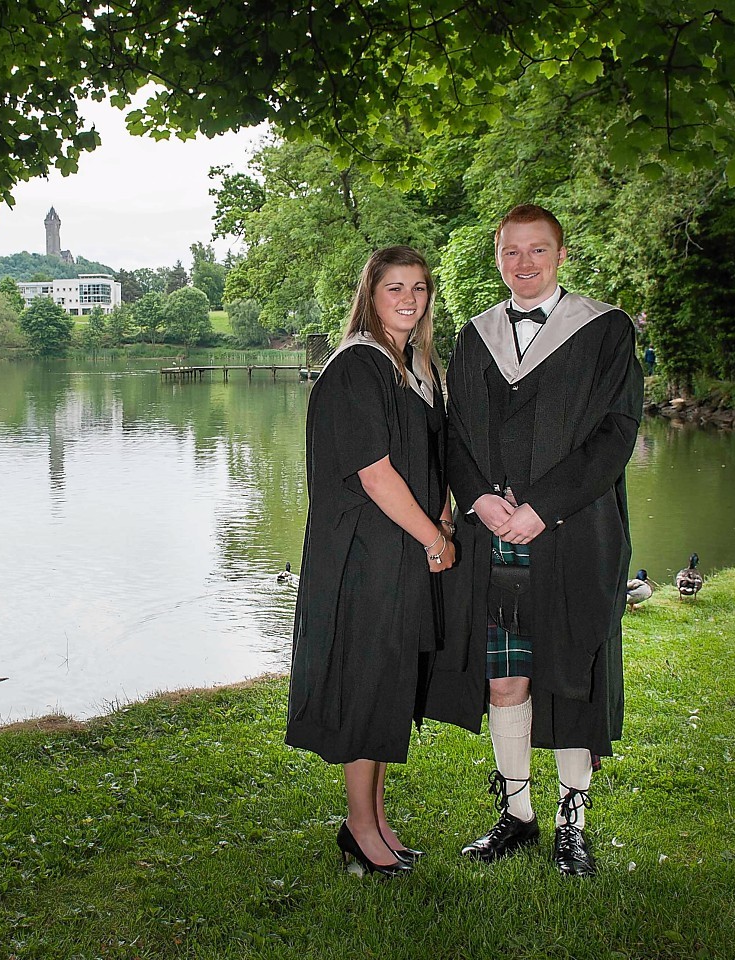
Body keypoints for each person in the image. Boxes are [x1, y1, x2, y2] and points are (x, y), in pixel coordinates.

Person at [425, 204, 643, 877]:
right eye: (511, 251)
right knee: (505, 679)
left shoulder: (604, 331)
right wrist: (481, 500)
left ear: (561, 255)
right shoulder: (475, 336)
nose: (523, 264)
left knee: (571, 678)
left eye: (537, 250)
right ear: (496, 256)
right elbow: (452, 434)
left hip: (574, 533)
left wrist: (542, 508)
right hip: (495, 536)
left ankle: (571, 823)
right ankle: (516, 814)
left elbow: (615, 434)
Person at [286, 246, 456, 877]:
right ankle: (359, 828)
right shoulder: (359, 365)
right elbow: (376, 474)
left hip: (399, 548)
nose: (408, 299)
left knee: (388, 685)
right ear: (371, 295)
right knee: (366, 685)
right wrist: (434, 539)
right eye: (394, 289)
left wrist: (439, 517)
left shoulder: (412, 366)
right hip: (362, 552)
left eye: (418, 288)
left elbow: (427, 459)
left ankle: (378, 819)